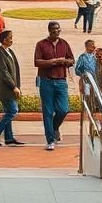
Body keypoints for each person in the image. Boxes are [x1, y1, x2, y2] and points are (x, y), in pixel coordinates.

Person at [33, 21, 75, 151]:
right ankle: (50, 139)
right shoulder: (41, 44)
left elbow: (72, 60)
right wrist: (51, 62)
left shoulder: (64, 43)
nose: (56, 31)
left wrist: (64, 61)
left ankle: (54, 127)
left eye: (58, 29)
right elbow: (37, 62)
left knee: (63, 109)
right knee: (48, 111)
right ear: (49, 31)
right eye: (54, 29)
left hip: (61, 81)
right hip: (46, 81)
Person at [0, 29, 25, 146]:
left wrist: (17, 85)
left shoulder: (9, 51)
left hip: (12, 88)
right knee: (13, 111)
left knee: (9, 111)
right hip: (5, 89)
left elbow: (16, 70)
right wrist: (14, 86)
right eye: (10, 37)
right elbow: (4, 72)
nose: (12, 40)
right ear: (4, 40)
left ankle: (9, 138)